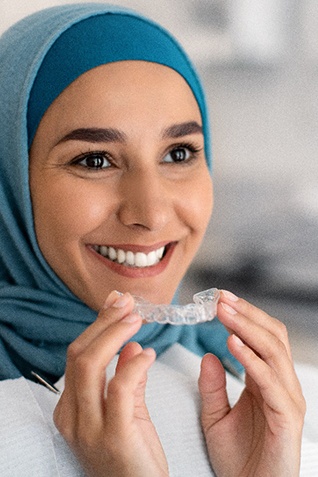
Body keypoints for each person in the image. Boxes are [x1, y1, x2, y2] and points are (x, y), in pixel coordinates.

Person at [0, 3, 306, 476]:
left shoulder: (250, 392)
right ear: (10, 179)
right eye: (95, 160)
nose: (152, 212)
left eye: (179, 152)